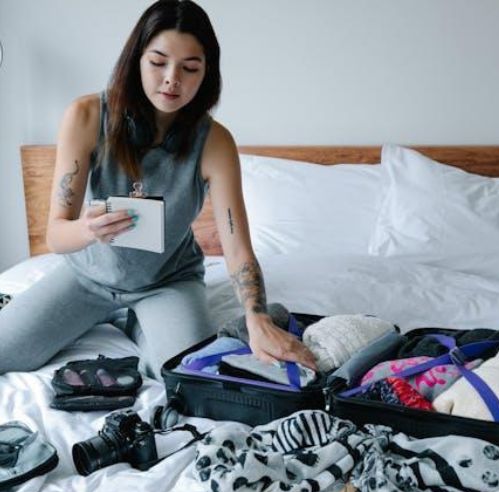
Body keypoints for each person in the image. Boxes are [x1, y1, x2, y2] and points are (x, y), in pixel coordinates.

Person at [0, 0, 316, 378]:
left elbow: (236, 245)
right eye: (158, 62)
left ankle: (133, 319)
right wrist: (87, 229)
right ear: (136, 60)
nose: (172, 79)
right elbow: (55, 235)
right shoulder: (85, 117)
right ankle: (118, 313)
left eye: (190, 68)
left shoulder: (214, 142)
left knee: (183, 376)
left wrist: (257, 316)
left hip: (168, 283)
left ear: (207, 74)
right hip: (87, 277)